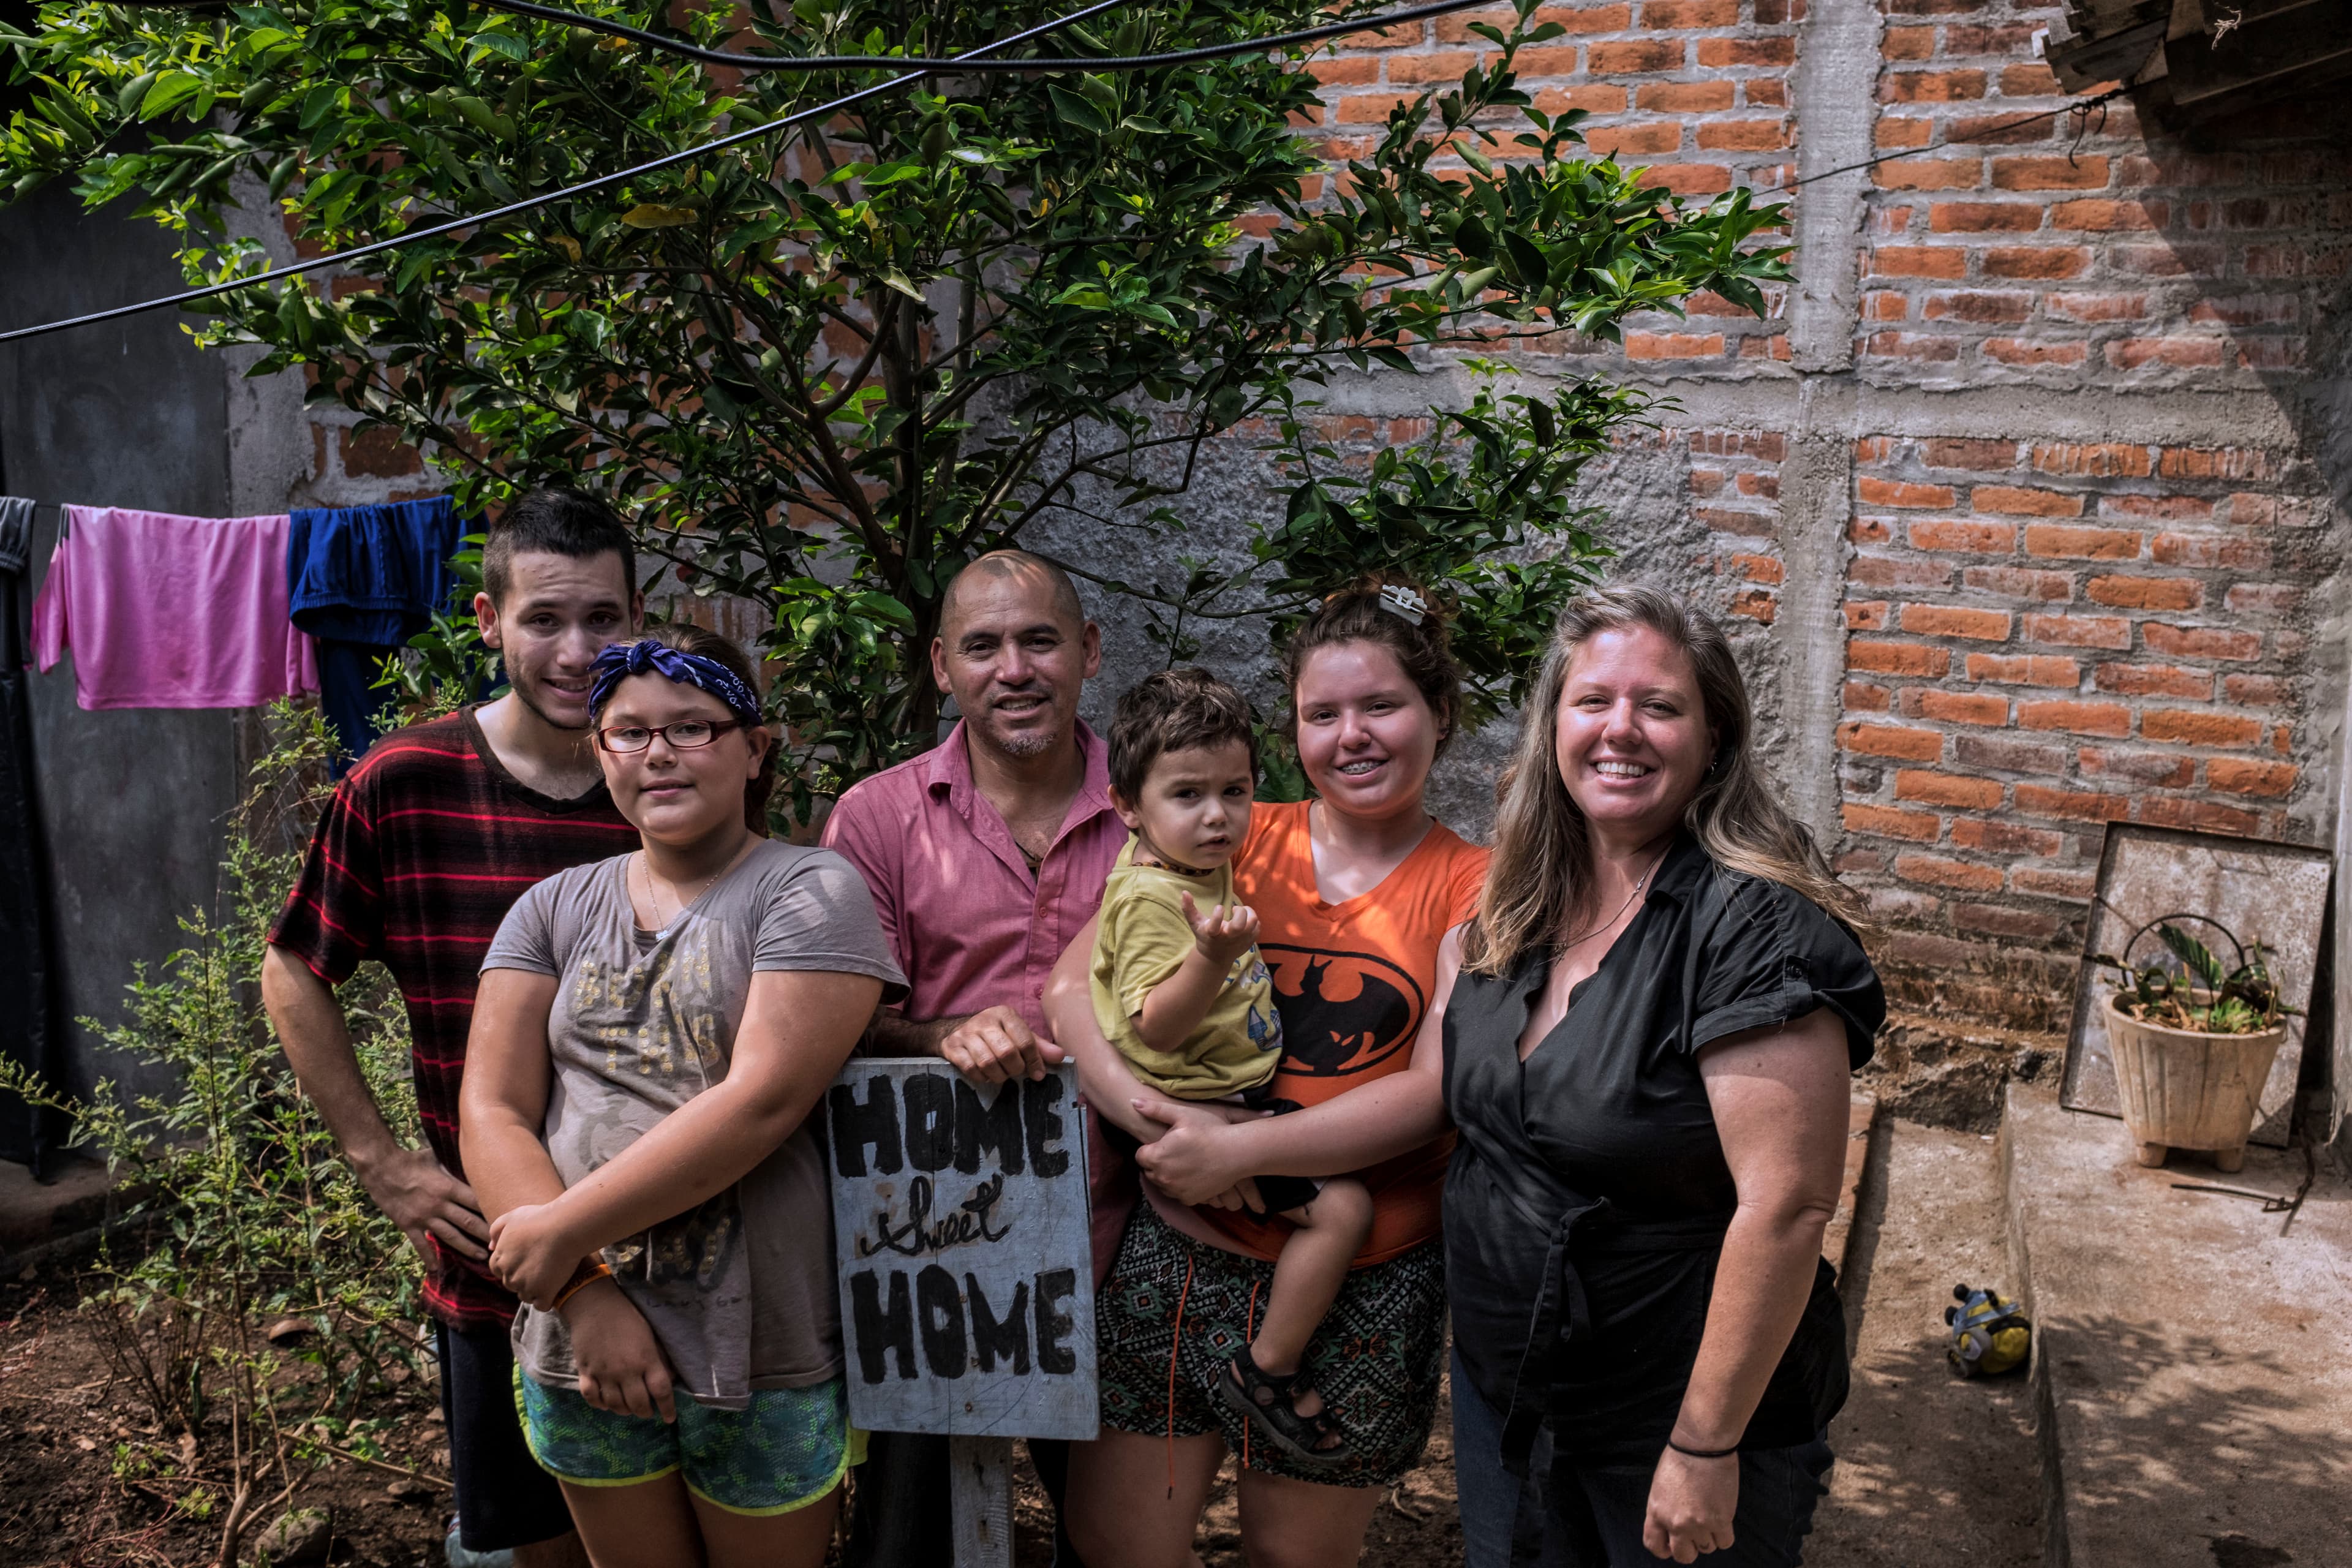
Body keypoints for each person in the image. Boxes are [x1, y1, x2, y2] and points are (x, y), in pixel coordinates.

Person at [1046, 579, 1488, 1568]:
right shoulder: (1235, 832)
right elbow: (1074, 989)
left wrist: (1241, 1146)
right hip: (1181, 1254)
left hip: (1361, 1283)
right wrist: (1162, 1132)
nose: (1353, 736)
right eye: (1322, 714)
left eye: (1382, 706)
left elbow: (1435, 1087)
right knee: (1120, 1547)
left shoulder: (1475, 882)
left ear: (1440, 713)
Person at [1440, 585, 1884, 1567]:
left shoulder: (1755, 930)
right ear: (1553, 724)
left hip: (1671, 1418)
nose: (1621, 730)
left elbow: (1790, 1206)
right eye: (1592, 700)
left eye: (1661, 706)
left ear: (1715, 738)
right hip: (1508, 1396)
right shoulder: (1518, 910)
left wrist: (1703, 1444)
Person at [461, 625, 905, 1567]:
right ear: (600, 755)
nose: (658, 753)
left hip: (761, 1346)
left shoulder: (810, 891)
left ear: (755, 748)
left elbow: (760, 1103)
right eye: (629, 732)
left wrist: (559, 1232)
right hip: (579, 1342)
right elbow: (493, 1109)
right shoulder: (550, 908)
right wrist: (584, 1295)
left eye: (694, 726)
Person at [263, 488, 644, 1567]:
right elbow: (295, 967)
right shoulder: (405, 784)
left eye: (604, 620)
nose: (577, 652)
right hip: (498, 1266)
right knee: (545, 1548)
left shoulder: (678, 776)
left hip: (687, 1263)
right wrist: (378, 1159)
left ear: (637, 618)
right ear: (488, 622)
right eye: (544, 620)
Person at [819, 549, 1129, 1568]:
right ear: (943, 665)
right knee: (908, 1542)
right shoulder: (878, 816)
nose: (1016, 668)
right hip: (926, 1248)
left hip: (1126, 1235)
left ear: (1086, 652)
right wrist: (938, 1036)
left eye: (1040, 640)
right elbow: (832, 1020)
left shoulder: (1157, 810)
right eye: (985, 646)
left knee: (1118, 1541)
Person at [1089, 668, 1374, 1471]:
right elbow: (1159, 1023)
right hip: (1194, 1104)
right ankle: (1268, 1366)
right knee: (1343, 1209)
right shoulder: (1152, 897)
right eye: (1187, 795)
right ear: (1126, 806)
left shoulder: (1186, 863)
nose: (1218, 816)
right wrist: (1213, 958)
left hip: (1212, 1099)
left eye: (1235, 791)